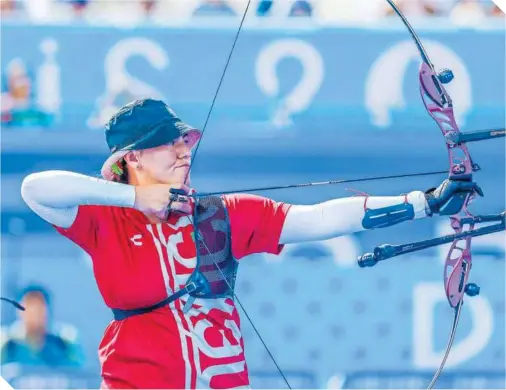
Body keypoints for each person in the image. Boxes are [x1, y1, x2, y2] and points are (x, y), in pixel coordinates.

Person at [20, 98, 482, 389]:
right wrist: (136, 196)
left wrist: (424, 202)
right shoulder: (104, 220)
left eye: (184, 140)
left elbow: (318, 218)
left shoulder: (221, 214)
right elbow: (36, 188)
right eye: (167, 144)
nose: (184, 150)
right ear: (132, 158)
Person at [0, 285, 84, 367]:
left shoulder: (65, 342)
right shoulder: (6, 342)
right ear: (18, 311)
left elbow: (78, 374)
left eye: (39, 307)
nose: (34, 312)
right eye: (29, 306)